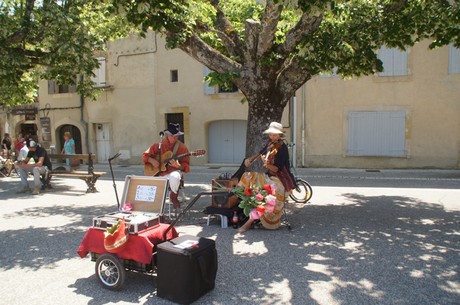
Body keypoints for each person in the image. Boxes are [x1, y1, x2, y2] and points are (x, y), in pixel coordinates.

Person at [237, 122, 296, 234]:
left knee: (265, 199)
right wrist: (250, 159)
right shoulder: (271, 144)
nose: (272, 137)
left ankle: (248, 223)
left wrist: (267, 164)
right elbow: (261, 152)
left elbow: (276, 169)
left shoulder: (282, 148)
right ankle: (248, 213)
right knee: (248, 176)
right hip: (271, 178)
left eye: (275, 135)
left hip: (280, 180)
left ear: (280, 135)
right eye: (271, 134)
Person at [142, 123, 190, 211]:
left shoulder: (182, 148)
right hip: (158, 173)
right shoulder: (158, 145)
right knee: (148, 184)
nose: (174, 138)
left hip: (172, 171)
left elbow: (186, 166)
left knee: (175, 176)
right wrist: (152, 160)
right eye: (172, 136)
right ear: (167, 135)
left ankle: (174, 196)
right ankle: (153, 205)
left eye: (176, 136)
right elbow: (145, 156)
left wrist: (178, 166)